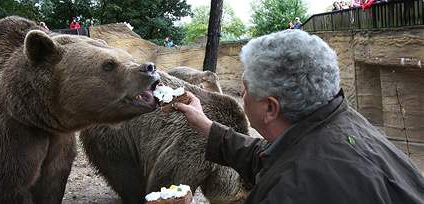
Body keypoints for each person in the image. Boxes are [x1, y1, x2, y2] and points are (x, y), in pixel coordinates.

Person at [174, 30, 424, 203]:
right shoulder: (342, 123)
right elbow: (270, 155)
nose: (242, 93)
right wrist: (206, 125)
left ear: (270, 108)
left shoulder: (291, 191)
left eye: (246, 88)